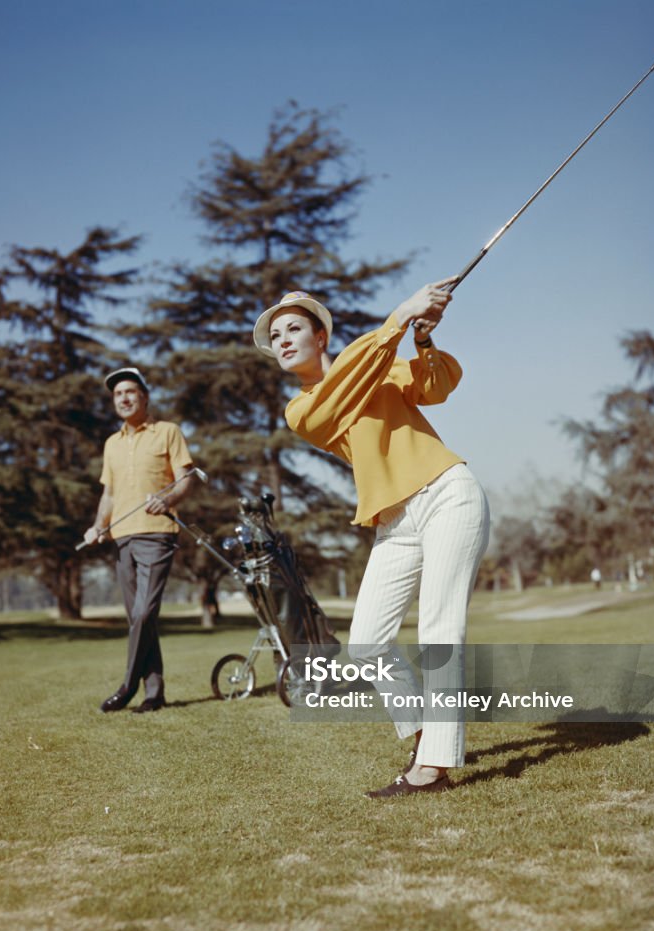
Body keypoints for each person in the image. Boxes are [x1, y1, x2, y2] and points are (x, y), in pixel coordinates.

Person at [253, 284, 490, 797]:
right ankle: (427, 734)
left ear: (321, 335)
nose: (283, 339)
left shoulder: (379, 364)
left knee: (439, 629)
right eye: (275, 335)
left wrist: (423, 342)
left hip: (446, 495)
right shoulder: (302, 409)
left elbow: (438, 387)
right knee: (366, 645)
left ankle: (433, 768)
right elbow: (341, 392)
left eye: (293, 328)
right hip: (394, 522)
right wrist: (401, 316)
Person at [82, 367, 194, 713]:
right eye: (118, 395)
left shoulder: (167, 432)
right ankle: (154, 693)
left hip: (157, 534)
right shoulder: (111, 444)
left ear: (144, 397)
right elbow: (109, 494)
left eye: (130, 392)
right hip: (121, 538)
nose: (124, 398)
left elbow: (186, 476)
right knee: (138, 620)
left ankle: (129, 684)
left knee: (144, 613)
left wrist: (169, 499)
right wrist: (98, 525)